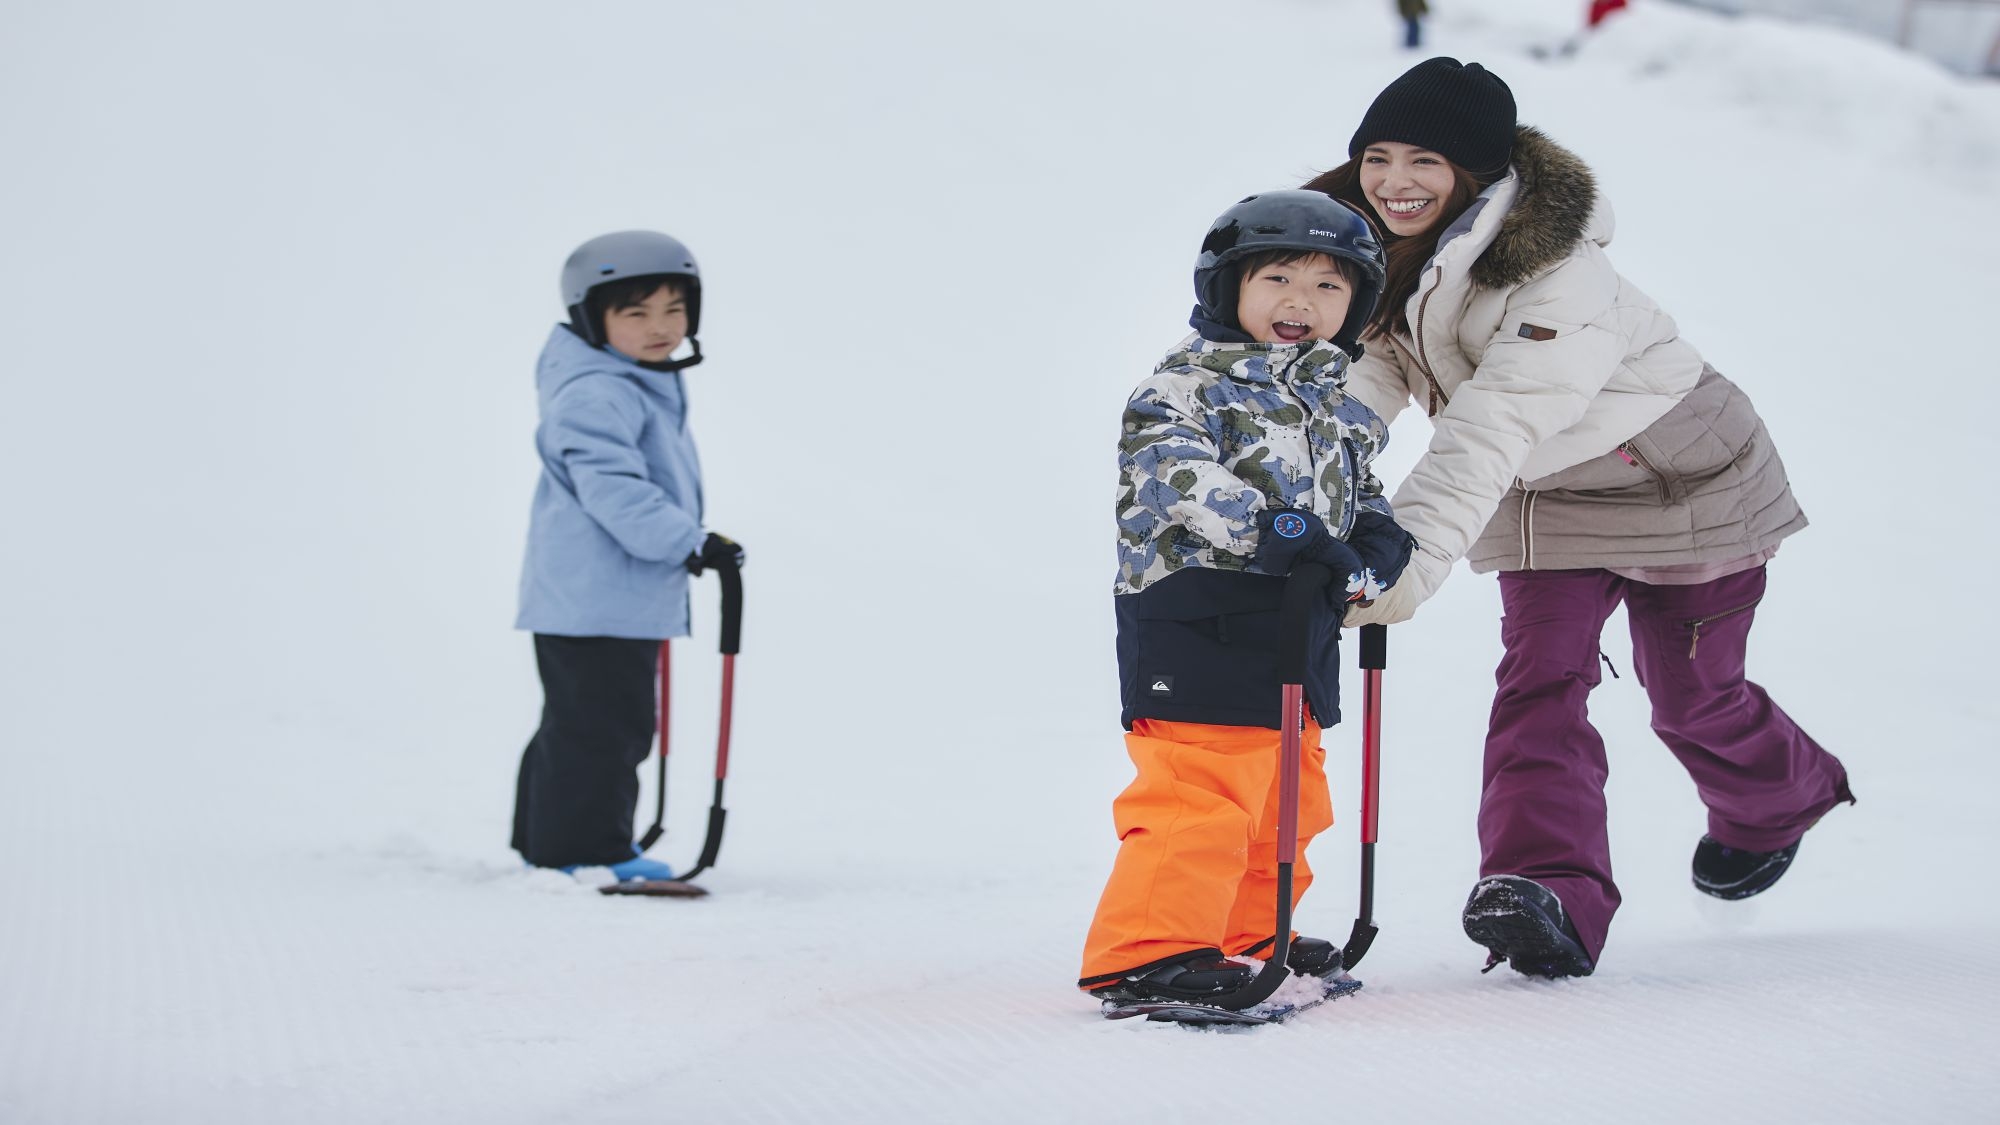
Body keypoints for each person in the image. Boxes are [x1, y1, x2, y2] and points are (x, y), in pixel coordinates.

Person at [1302, 58, 1854, 978]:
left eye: (1426, 161)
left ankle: (1778, 800)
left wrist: (1407, 563)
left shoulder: (1557, 273)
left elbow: (1488, 426)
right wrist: (1298, 475)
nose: (1396, 181)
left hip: (1681, 479)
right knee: (1539, 682)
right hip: (1542, 489)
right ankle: (1545, 887)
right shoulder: (1371, 251)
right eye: (1379, 156)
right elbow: (1362, 380)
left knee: (1693, 697)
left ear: (1475, 173)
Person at [1078, 192, 1416, 1008]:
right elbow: (1177, 477)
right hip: (1199, 617)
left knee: (1288, 799)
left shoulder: (1336, 409)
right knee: (1203, 793)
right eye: (1279, 279)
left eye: (1329, 287)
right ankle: (1147, 950)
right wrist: (1282, 528)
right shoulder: (1182, 390)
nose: (1302, 302)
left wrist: (1378, 538)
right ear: (1227, 286)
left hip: (1296, 625)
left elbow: (1361, 495)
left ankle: (1249, 929)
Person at [512, 230, 745, 885]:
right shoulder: (599, 392)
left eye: (675, 309)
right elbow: (614, 490)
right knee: (605, 727)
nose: (660, 327)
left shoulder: (631, 381)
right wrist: (688, 540)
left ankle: (549, 840)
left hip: (601, 594)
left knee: (581, 721)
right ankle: (585, 849)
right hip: (598, 596)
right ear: (593, 319)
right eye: (636, 313)